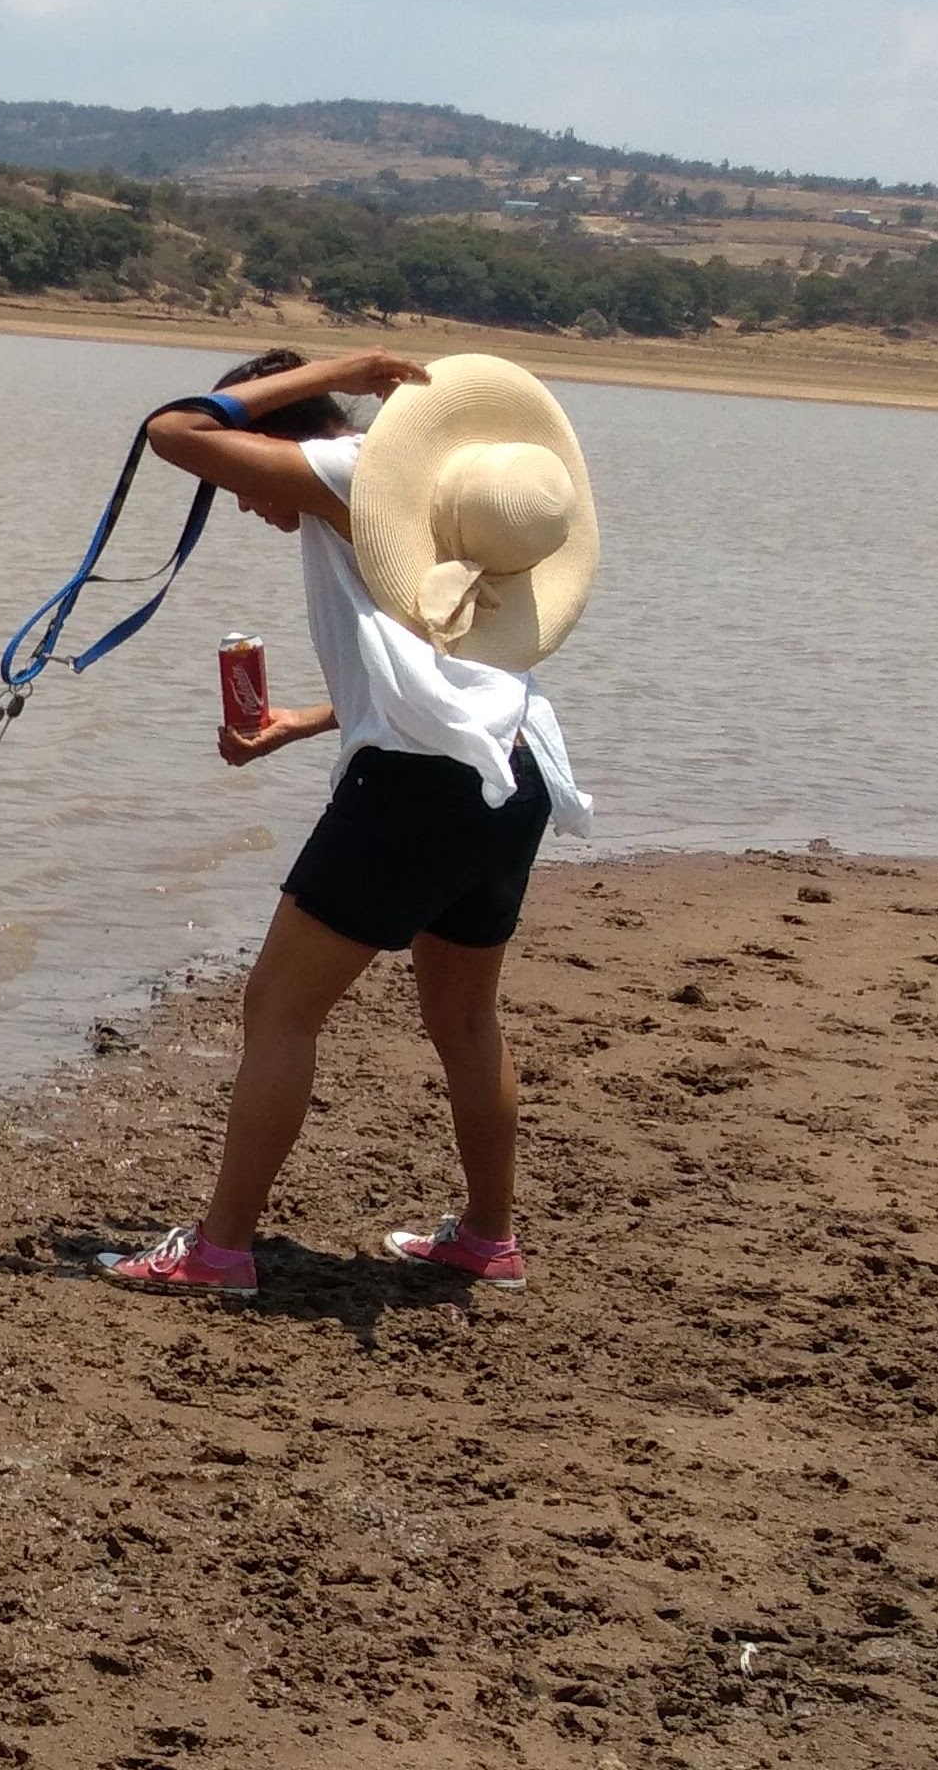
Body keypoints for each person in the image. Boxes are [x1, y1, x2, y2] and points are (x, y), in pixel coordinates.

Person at [98, 346, 600, 1299]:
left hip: (418, 787)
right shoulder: (448, 492)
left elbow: (173, 431)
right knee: (464, 1018)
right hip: (517, 769)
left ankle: (220, 1253)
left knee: (279, 1010)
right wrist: (313, 720)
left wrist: (347, 364)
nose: (247, 504)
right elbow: (452, 657)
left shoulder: (346, 467)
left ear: (279, 436)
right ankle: (489, 1239)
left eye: (250, 483)